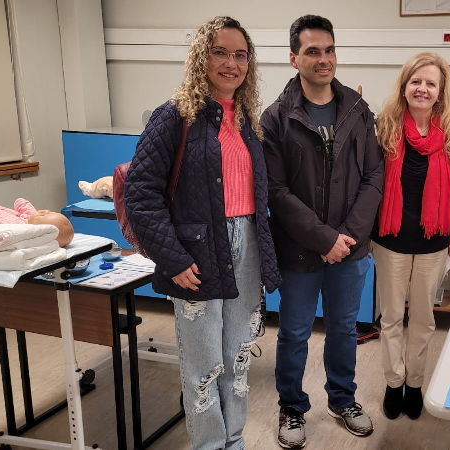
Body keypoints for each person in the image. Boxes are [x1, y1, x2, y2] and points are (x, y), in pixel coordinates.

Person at [123, 16, 280, 450]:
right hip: (197, 252)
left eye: (240, 55)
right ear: (201, 57)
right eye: (220, 52)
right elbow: (141, 194)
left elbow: (253, 198)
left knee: (238, 358)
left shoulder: (248, 121)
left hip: (244, 247)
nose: (231, 63)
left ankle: (234, 441)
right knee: (203, 365)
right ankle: (210, 446)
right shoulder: (174, 116)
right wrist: (172, 258)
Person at [261, 14, 384, 449]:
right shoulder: (276, 117)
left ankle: (342, 399)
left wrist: (345, 237)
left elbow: (373, 176)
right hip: (299, 248)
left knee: (344, 327)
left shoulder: (356, 108)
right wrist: (322, 238)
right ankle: (291, 407)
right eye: (312, 51)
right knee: (294, 331)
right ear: (293, 57)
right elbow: (274, 189)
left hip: (350, 248)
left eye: (329, 50)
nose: (323, 59)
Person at [371, 52, 450, 420]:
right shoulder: (383, 127)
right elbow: (372, 185)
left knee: (425, 319)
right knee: (392, 317)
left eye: (430, 83)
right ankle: (394, 384)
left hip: (433, 241)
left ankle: (415, 385)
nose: (422, 89)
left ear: (440, 92)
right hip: (390, 238)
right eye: (416, 81)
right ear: (405, 86)